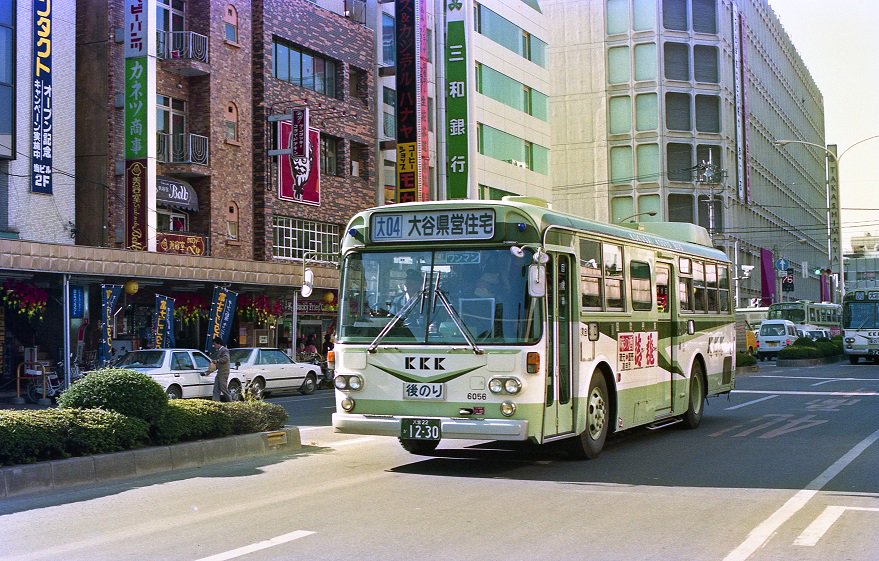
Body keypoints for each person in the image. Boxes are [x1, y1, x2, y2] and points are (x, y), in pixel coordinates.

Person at [210, 336, 235, 402]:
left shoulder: (224, 350)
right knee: (216, 388)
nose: (214, 346)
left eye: (214, 344)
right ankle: (215, 402)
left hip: (224, 372)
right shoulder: (219, 350)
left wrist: (217, 361)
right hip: (219, 372)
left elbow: (225, 359)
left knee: (223, 388)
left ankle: (230, 401)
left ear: (218, 344)